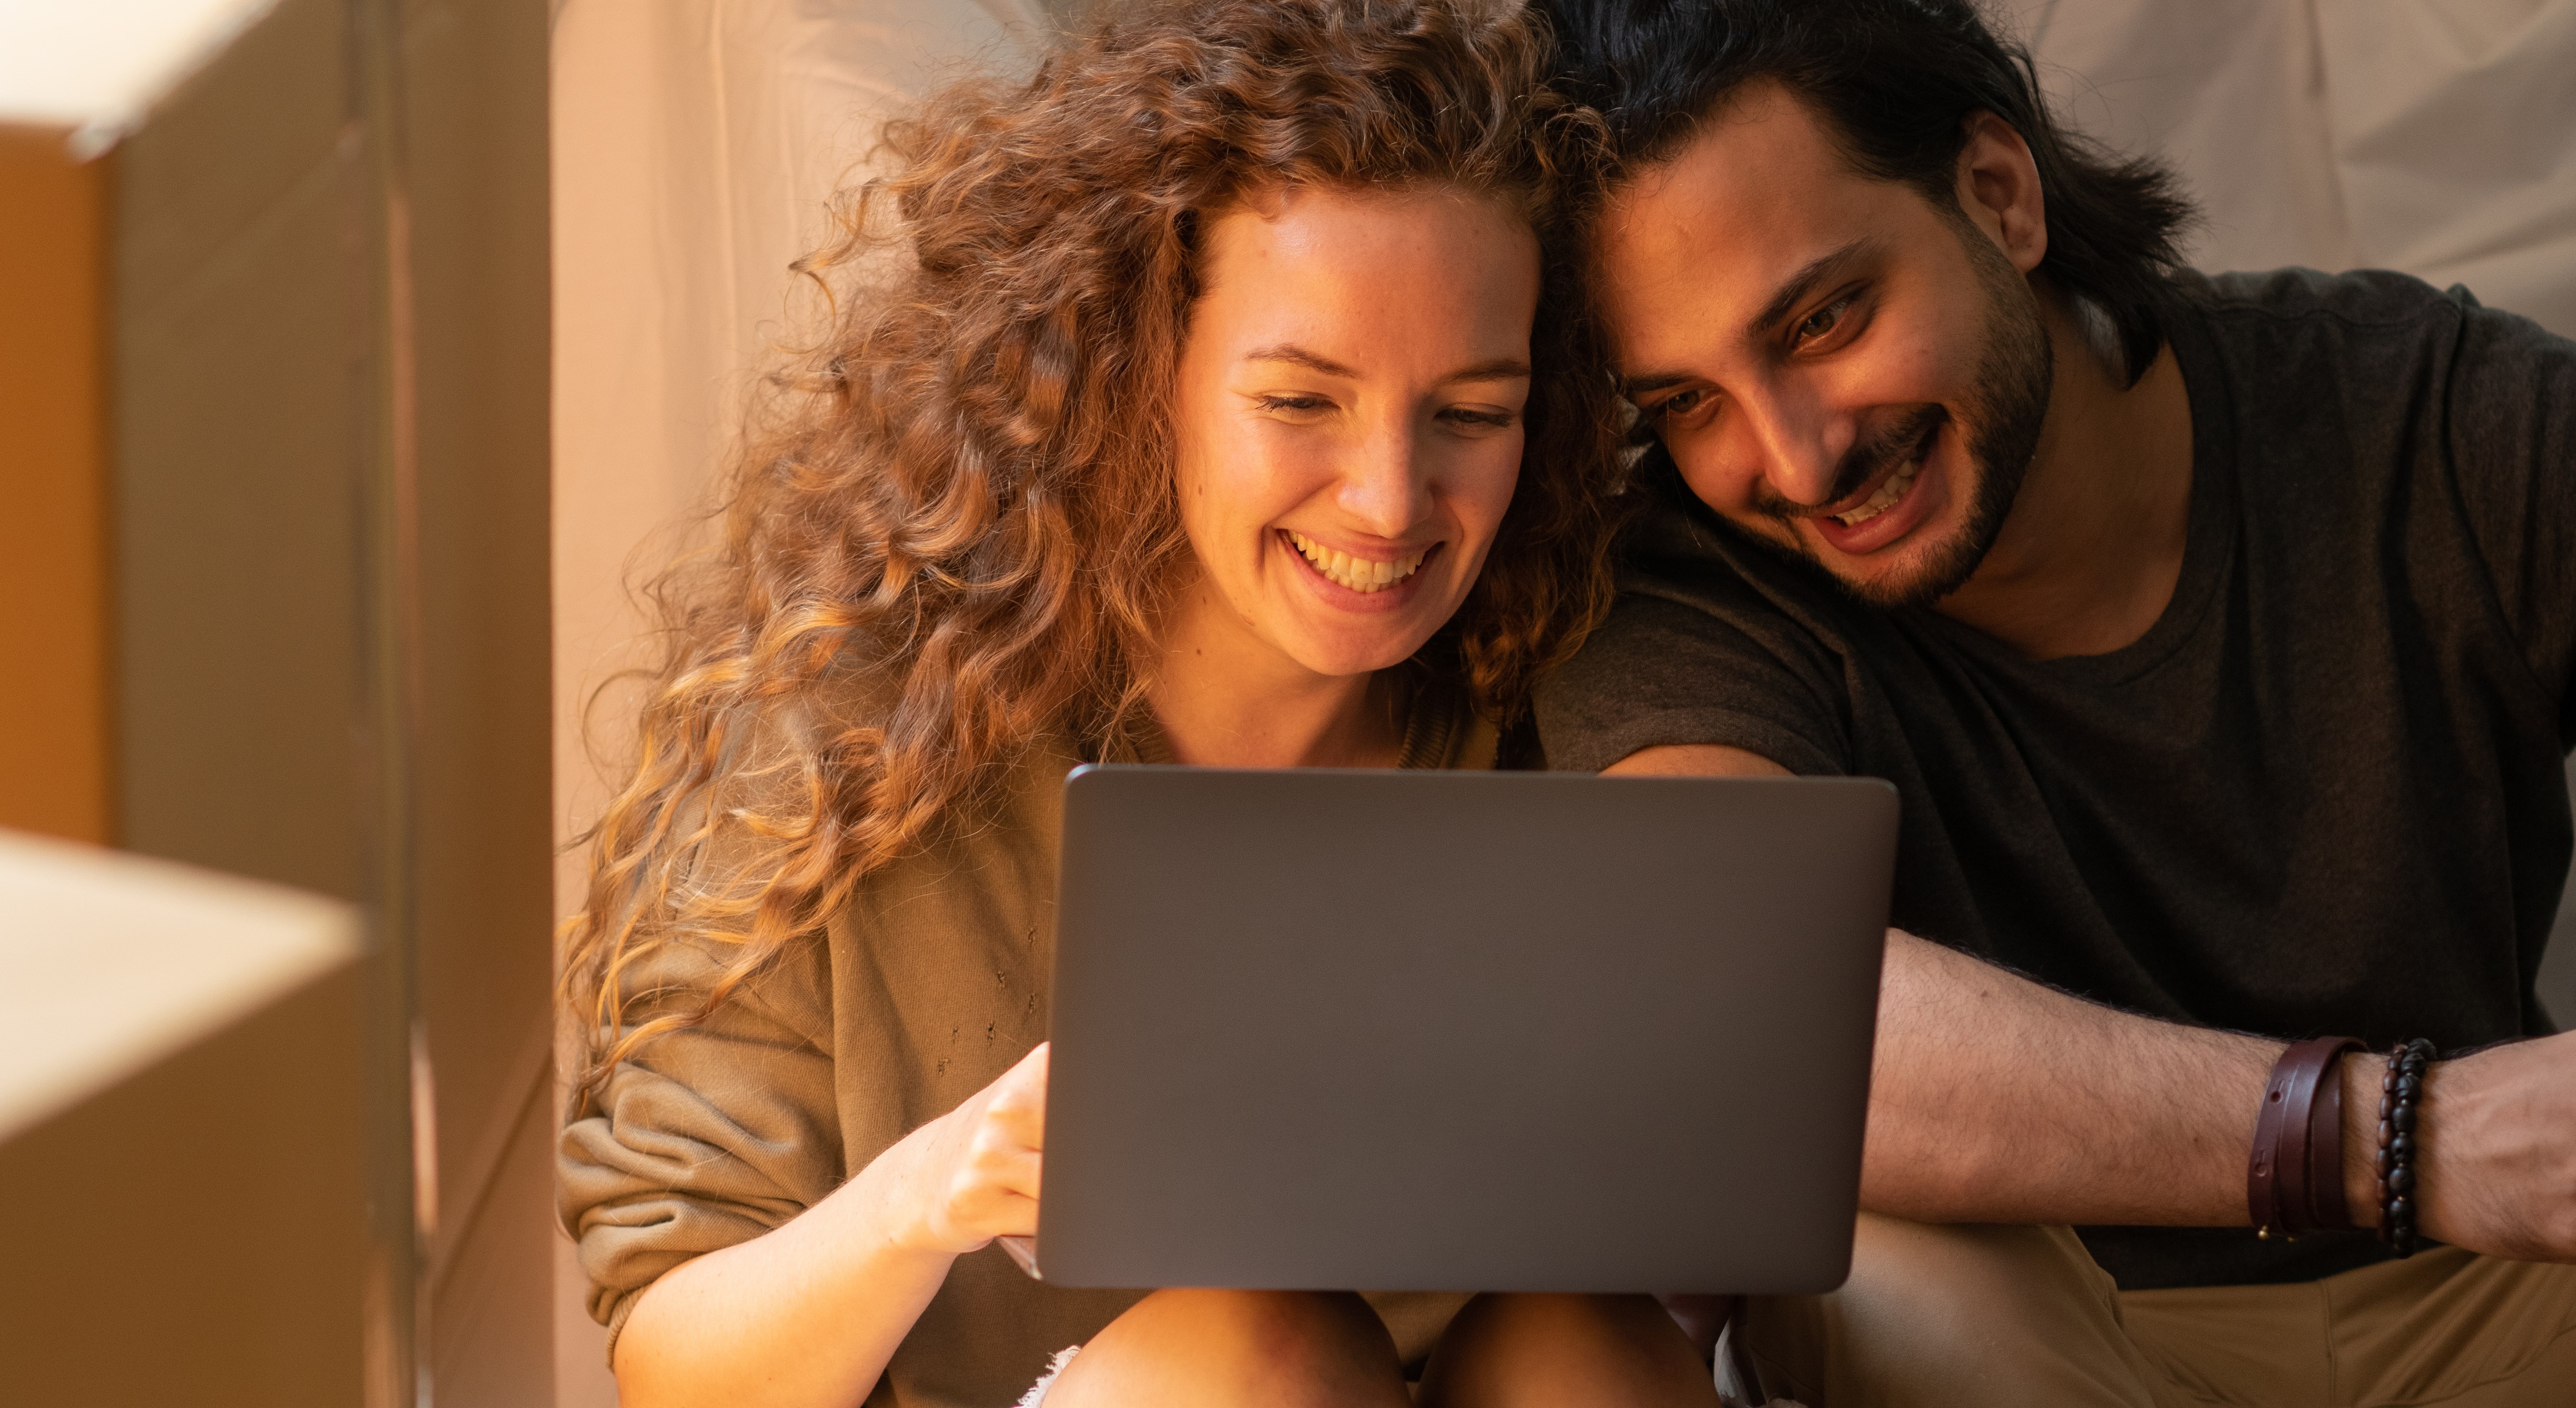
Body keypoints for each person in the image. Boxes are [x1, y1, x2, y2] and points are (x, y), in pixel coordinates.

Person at [555, 2, 1731, 1405]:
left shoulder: (1577, 701)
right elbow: (670, 1363)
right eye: (1301, 401)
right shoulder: (858, 732)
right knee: (1255, 1356)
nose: (1392, 501)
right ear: (1136, 377)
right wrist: (922, 1197)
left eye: (1470, 415)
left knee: (1578, 1350)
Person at [1530, 0, 2576, 1403]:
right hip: (2054, 1342)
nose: (1792, 458)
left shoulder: (2439, 422)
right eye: (1686, 403)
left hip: (2505, 1300)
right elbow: (1741, 1008)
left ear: (1998, 196)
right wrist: (2401, 1136)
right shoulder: (1679, 590)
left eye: (1824, 318)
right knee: (1887, 1270)